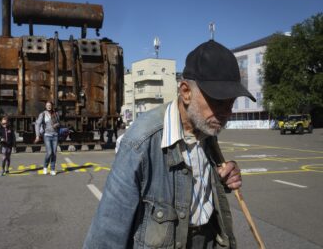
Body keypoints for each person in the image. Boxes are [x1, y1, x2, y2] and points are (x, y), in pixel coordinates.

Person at [83, 40, 256, 249]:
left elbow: (198, 189)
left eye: (231, 102)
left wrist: (223, 179)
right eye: (218, 101)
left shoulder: (206, 129)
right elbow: (107, 233)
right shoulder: (140, 142)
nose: (227, 113)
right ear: (185, 92)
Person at [34, 101, 60, 176]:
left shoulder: (56, 113)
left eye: (50, 105)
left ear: (52, 106)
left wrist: (56, 124)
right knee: (49, 153)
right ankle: (45, 167)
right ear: (45, 106)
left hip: (55, 135)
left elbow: (59, 122)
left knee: (54, 153)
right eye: (47, 105)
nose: (49, 106)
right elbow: (37, 124)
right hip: (47, 135)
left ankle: (52, 169)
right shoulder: (43, 114)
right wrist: (37, 135)